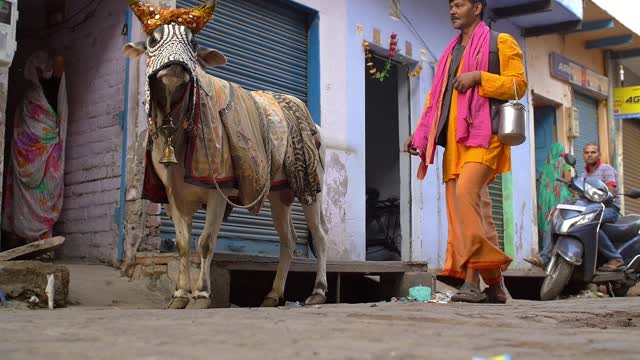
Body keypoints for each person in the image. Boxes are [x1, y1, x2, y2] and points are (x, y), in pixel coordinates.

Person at [404, 0, 527, 303]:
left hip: (486, 134)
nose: (452, 10)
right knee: (471, 212)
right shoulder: (451, 52)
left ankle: (473, 281)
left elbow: (518, 86)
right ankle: (494, 286)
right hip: (456, 140)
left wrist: (479, 78)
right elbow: (437, 98)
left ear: (477, 7)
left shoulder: (501, 42)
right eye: (450, 6)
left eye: (459, 5)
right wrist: (420, 135)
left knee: (466, 195)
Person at [524, 143, 624, 271]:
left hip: (609, 209)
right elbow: (578, 195)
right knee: (556, 218)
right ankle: (545, 257)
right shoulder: (582, 177)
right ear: (583, 155)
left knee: (592, 224)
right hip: (590, 209)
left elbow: (611, 190)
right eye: (587, 152)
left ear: (599, 155)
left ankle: (616, 258)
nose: (589, 155)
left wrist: (604, 198)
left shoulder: (606, 169)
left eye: (593, 152)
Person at [2, 50, 68, 242]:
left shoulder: (54, 86)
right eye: (36, 68)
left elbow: (60, 59)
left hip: (49, 156)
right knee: (25, 200)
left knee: (45, 196)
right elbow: (19, 131)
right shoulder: (28, 97)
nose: (41, 72)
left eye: (43, 68)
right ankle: (23, 241)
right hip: (25, 157)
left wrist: (48, 62)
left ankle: (43, 241)